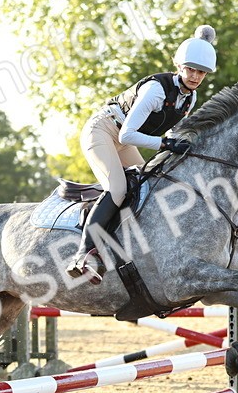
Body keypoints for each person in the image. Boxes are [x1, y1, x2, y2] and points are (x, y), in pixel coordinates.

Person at [66, 25, 218, 283]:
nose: (194, 76)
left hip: (125, 141)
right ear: (178, 66)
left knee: (149, 189)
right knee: (118, 189)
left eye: (201, 72)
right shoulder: (156, 90)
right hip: (103, 131)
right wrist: (165, 145)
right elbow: (126, 135)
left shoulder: (189, 98)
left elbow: (171, 133)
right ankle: (83, 255)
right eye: (190, 69)